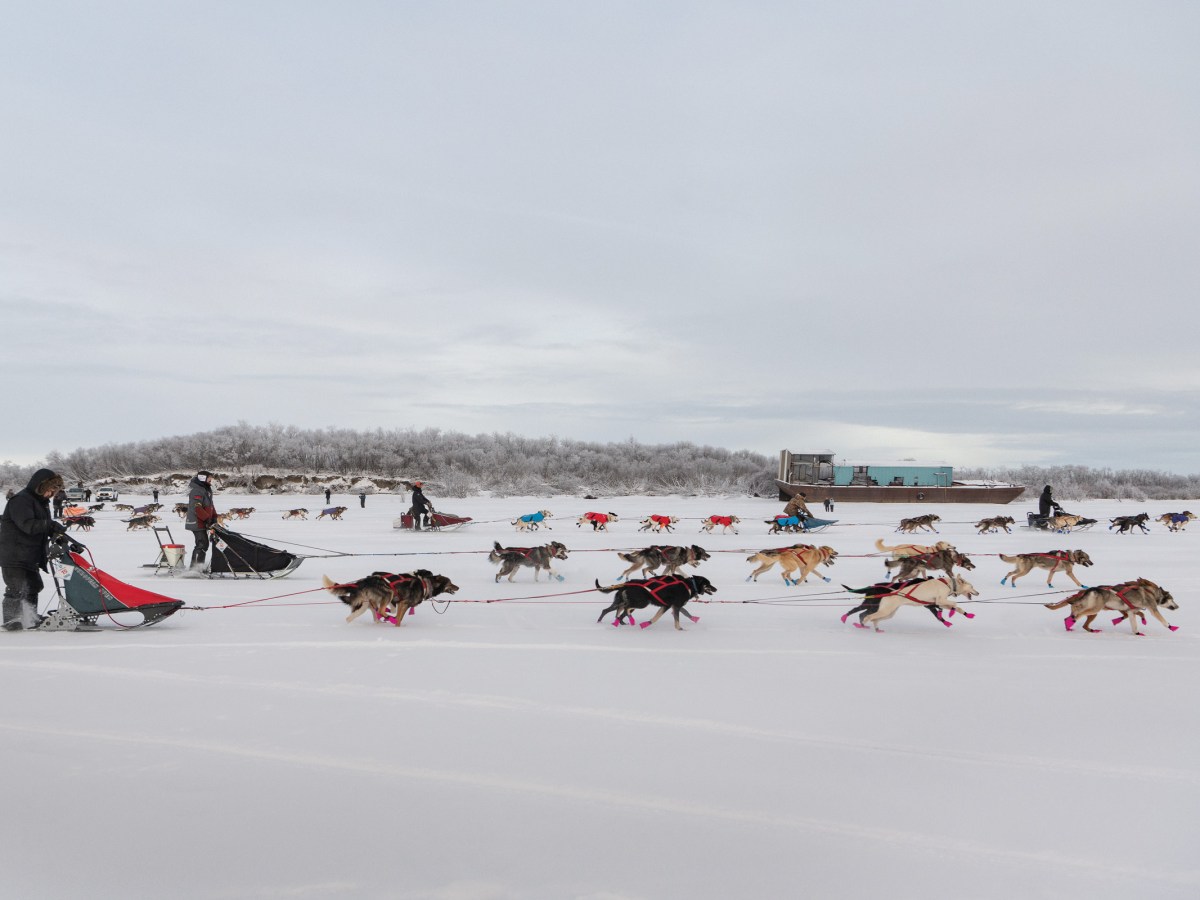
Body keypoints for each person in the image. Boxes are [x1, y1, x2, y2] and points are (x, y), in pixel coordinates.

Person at [1, 468, 66, 630]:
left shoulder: (41, 503)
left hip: (30, 554)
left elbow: (42, 526)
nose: (51, 494)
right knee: (17, 587)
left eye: (54, 491)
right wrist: (49, 524)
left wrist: (57, 533)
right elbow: (28, 525)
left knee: (34, 585)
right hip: (14, 554)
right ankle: (12, 621)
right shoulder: (21, 500)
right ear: (41, 486)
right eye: (50, 490)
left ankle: (29, 617)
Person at [184, 470, 218, 574]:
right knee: (202, 544)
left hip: (202, 521)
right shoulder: (197, 490)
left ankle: (199, 567)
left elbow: (210, 506)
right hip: (196, 522)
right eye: (209, 478)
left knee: (204, 544)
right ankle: (195, 569)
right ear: (203, 478)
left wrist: (214, 518)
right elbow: (196, 508)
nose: (211, 480)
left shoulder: (205, 489)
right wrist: (207, 519)